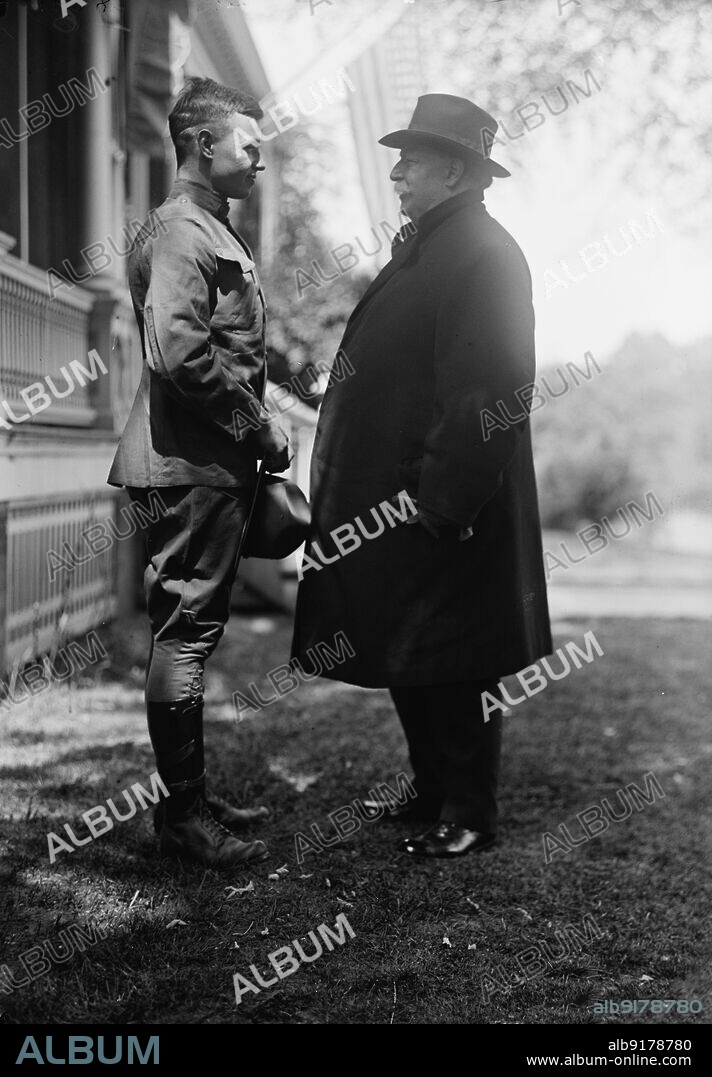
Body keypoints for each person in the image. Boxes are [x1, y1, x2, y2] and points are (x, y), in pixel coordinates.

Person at [291, 94, 552, 859]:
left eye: (411, 159)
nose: (398, 173)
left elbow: (492, 386)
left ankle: (470, 808)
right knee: (410, 645)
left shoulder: (485, 252)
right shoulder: (430, 246)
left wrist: (446, 498)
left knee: (458, 656)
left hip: (441, 500)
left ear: (452, 169)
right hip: (397, 499)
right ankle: (431, 784)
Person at [108, 78, 291, 868]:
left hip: (204, 459)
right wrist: (259, 424)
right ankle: (182, 821)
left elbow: (224, 344)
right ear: (200, 146)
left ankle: (190, 799)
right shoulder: (185, 231)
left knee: (193, 634)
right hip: (191, 463)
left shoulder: (203, 224)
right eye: (247, 145)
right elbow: (179, 353)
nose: (258, 158)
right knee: (184, 637)